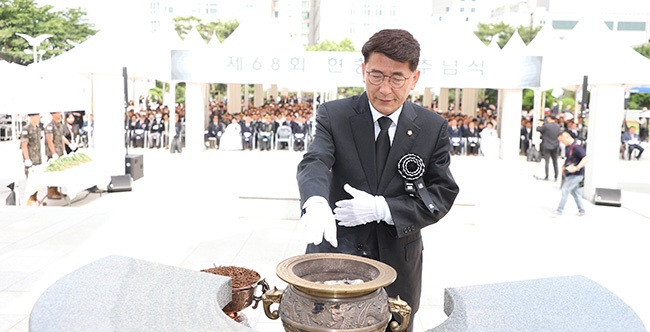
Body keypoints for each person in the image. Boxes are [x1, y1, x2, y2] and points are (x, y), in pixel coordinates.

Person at [296, 29, 460, 332]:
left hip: (397, 261)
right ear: (363, 71)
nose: (385, 89)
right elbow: (316, 160)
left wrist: (384, 209)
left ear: (414, 78)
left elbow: (441, 193)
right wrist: (315, 200)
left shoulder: (431, 127)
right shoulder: (335, 114)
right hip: (335, 254)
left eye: (397, 78)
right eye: (376, 76)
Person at [555, 131, 588, 216]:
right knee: (575, 192)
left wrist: (577, 168)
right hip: (569, 173)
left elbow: (585, 158)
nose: (562, 143)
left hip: (577, 174)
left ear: (566, 137)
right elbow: (568, 159)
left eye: (562, 140)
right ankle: (581, 210)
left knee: (565, 190)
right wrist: (563, 166)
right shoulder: (567, 147)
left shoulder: (577, 147)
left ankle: (559, 209)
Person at [45, 111, 75, 199]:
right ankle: (51, 191)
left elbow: (61, 137)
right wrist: (54, 153)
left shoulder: (59, 125)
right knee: (52, 172)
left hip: (60, 152)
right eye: (57, 113)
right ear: (53, 114)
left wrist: (67, 147)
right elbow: (49, 140)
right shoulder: (50, 126)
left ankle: (56, 190)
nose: (59, 114)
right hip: (52, 153)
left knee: (58, 173)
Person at [21, 113, 43, 206]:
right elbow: (24, 145)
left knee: (37, 180)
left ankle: (35, 198)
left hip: (38, 158)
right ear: (31, 117)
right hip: (30, 158)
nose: (38, 118)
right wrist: (27, 159)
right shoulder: (26, 129)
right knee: (30, 179)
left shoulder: (38, 129)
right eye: (36, 116)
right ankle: (30, 199)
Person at [536, 116, 562, 181]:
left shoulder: (546, 126)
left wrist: (540, 124)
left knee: (547, 161)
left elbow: (538, 129)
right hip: (555, 145)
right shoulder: (558, 126)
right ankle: (556, 176)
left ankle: (547, 175)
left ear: (549, 119)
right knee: (555, 162)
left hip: (547, 145)